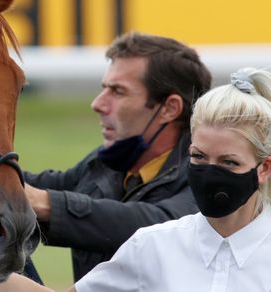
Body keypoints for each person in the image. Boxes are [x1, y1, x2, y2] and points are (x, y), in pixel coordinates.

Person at [0, 68, 271, 291]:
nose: (209, 171)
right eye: (197, 156)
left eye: (228, 163)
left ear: (265, 169)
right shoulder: (153, 248)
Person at [22, 32, 212, 280]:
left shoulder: (208, 171)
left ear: (169, 108)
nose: (98, 104)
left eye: (118, 91)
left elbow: (161, 226)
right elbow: (37, 185)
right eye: (105, 89)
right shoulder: (109, 161)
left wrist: (44, 203)